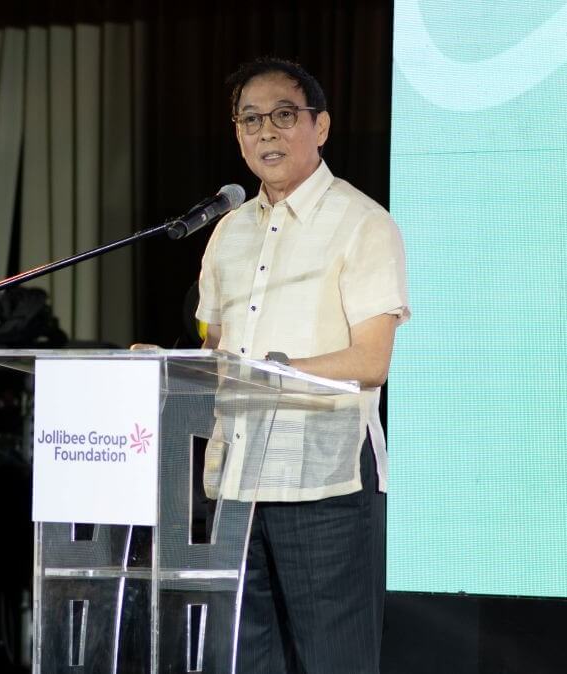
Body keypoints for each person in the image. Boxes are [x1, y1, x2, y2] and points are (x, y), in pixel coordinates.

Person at [195, 57, 410, 674]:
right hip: (234, 479)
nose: (267, 132)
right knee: (242, 661)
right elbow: (216, 353)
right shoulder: (227, 232)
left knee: (332, 662)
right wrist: (168, 363)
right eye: (251, 119)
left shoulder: (362, 223)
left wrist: (272, 370)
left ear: (321, 127)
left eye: (284, 116)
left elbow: (371, 361)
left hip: (325, 482)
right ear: (236, 134)